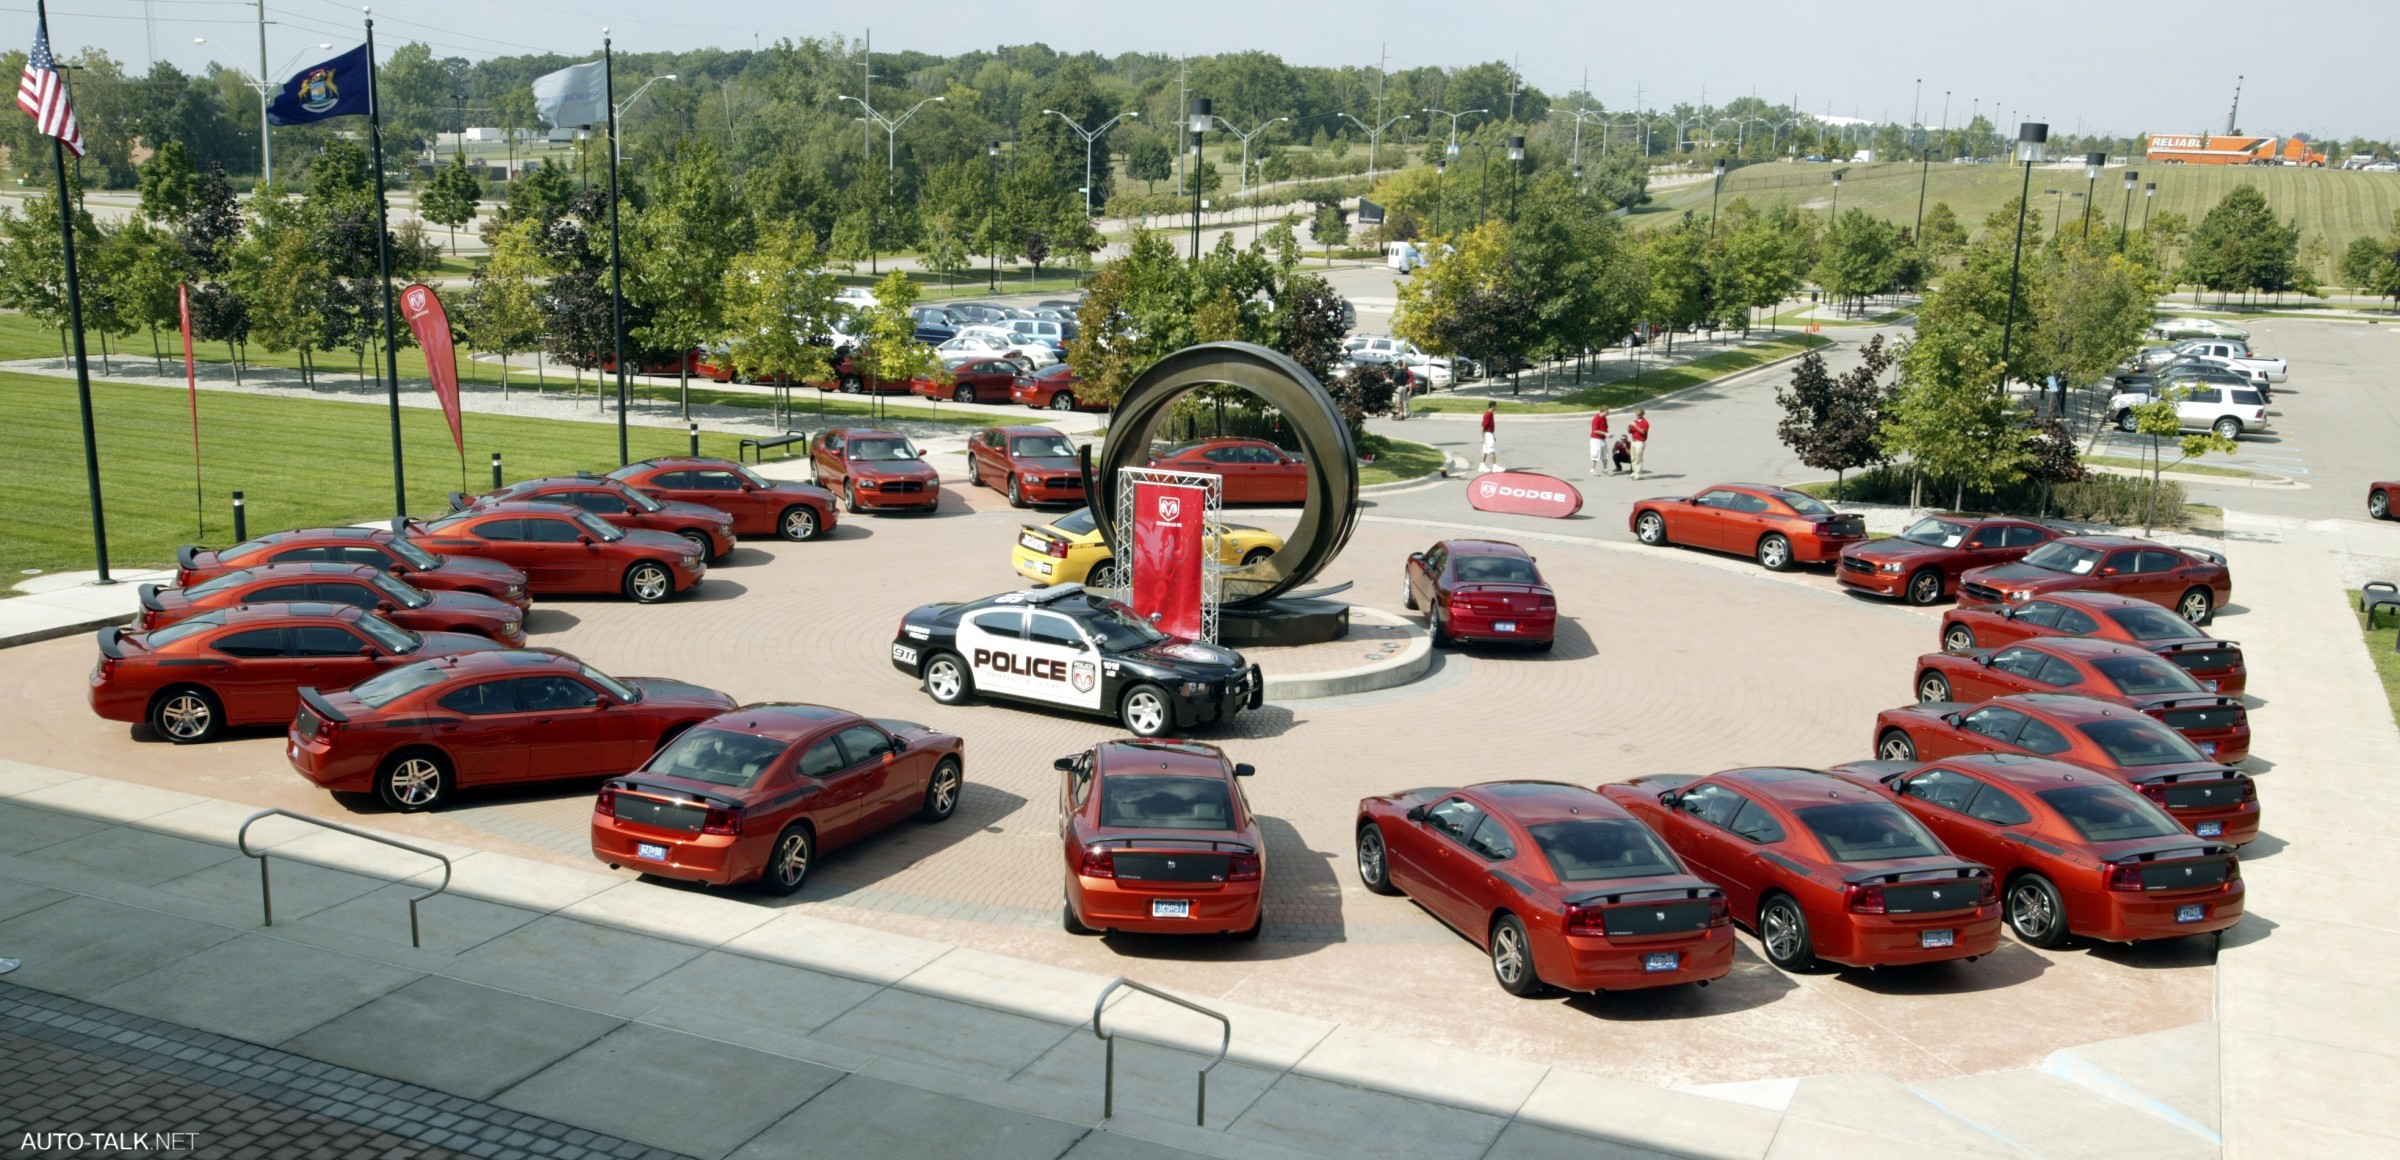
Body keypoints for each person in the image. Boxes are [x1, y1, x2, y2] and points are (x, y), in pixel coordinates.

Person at [1628, 409, 1652, 479]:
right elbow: (1630, 431)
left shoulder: (1645, 422)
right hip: (1633, 441)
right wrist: (1629, 426)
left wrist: (1635, 426)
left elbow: (1643, 432)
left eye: (1639, 414)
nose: (1638, 416)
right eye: (1637, 414)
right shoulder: (1635, 422)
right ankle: (1634, 471)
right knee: (1633, 458)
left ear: (1642, 414)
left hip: (1640, 441)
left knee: (1638, 458)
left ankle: (1638, 473)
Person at [1588, 408, 1612, 475]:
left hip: (1602, 439)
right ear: (1602, 411)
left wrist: (1608, 434)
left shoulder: (1604, 418)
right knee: (1595, 454)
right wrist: (1605, 434)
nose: (1608, 413)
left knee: (1605, 454)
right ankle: (1592, 469)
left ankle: (1605, 469)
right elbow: (1595, 430)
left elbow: (1605, 428)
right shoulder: (1596, 419)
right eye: (1607, 412)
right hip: (1596, 439)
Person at [1479, 402, 1498, 472]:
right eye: (1496, 406)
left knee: (1485, 450)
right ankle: (1495, 466)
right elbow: (1483, 426)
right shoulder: (1488, 414)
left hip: (1490, 433)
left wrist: (1493, 435)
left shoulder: (1491, 414)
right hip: (1487, 434)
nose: (1496, 407)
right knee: (1492, 450)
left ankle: (1482, 465)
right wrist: (1481, 437)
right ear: (1492, 406)